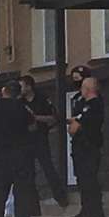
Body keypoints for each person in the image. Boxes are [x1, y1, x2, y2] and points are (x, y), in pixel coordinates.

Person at [0, 80, 43, 217]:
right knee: (22, 195)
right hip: (20, 156)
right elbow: (32, 126)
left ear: (3, 91)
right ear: (18, 94)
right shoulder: (22, 108)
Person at [19, 75, 68, 207]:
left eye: (21, 86)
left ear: (29, 86)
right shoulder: (20, 101)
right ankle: (32, 203)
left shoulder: (42, 99)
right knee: (28, 171)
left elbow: (53, 118)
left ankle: (60, 196)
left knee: (48, 167)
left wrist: (35, 117)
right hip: (25, 139)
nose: (20, 89)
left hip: (40, 137)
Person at [68, 76, 105, 217]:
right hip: (82, 151)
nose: (81, 89)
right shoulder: (84, 105)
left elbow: (74, 128)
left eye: (83, 87)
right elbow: (73, 125)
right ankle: (90, 216)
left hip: (88, 151)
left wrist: (75, 123)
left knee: (90, 187)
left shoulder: (93, 105)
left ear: (89, 89)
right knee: (85, 185)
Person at [67, 65, 91, 217]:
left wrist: (76, 122)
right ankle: (84, 208)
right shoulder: (76, 98)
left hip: (88, 143)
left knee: (89, 180)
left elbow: (84, 119)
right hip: (77, 142)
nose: (76, 82)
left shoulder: (92, 99)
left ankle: (91, 211)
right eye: (74, 79)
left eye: (79, 79)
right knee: (81, 178)